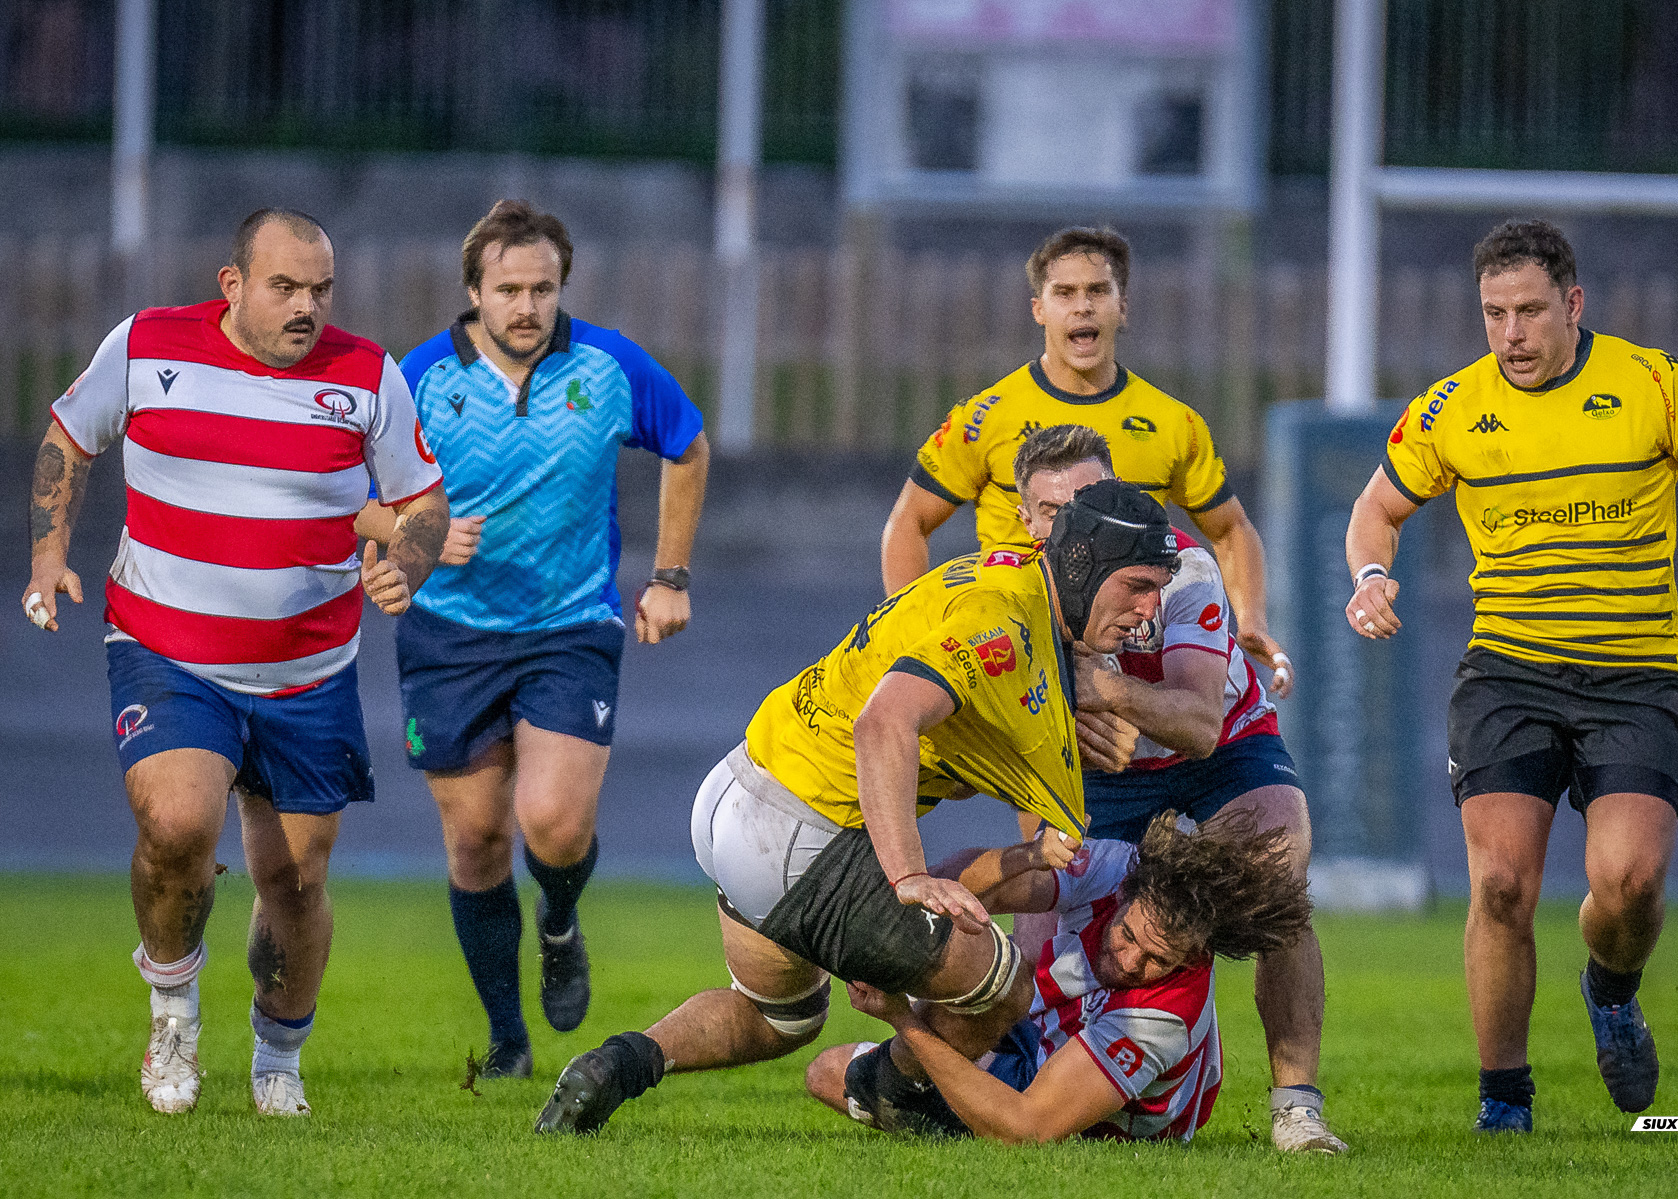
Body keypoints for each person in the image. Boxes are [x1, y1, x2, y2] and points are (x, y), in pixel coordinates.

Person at [533, 479, 1179, 1135]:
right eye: (1138, 585)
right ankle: (889, 1096)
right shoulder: (1004, 627)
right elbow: (885, 720)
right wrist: (907, 875)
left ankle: (617, 1064)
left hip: (739, 788)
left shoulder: (1001, 576)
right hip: (801, 829)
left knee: (779, 1016)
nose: (1150, 610)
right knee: (1004, 987)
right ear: (1082, 564)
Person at [1344, 219, 1678, 1133]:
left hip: (1636, 676)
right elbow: (1375, 508)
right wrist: (1370, 574)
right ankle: (1503, 1100)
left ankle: (1611, 987)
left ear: (1573, 304)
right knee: (1502, 885)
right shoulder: (1452, 409)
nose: (1511, 333)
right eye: (1494, 313)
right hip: (1508, 673)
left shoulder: (1650, 383)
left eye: (1530, 311)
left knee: (1628, 883)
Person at [20, 209, 448, 1116]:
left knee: (293, 880)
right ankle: (172, 1008)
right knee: (177, 825)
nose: (306, 307)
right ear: (233, 285)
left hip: (309, 673)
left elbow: (422, 504)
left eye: (321, 290)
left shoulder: (369, 376)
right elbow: (68, 436)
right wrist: (48, 557)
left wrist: (403, 566)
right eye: (285, 287)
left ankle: (278, 1056)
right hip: (168, 652)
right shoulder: (145, 346)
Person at [362, 200, 709, 1078]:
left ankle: (559, 918)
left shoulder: (608, 365)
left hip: (569, 628)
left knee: (550, 823)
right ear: (473, 291)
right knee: (476, 838)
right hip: (450, 634)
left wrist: (669, 577)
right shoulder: (420, 378)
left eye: (542, 288)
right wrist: (419, 531)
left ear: (562, 288)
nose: (526, 306)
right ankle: (509, 1040)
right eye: (508, 289)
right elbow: (365, 497)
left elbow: (689, 442)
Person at [1007, 424, 1346, 1153]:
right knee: (1038, 893)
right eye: (1055, 510)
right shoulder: (1007, 586)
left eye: (1093, 498)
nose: (1078, 522)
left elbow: (1197, 720)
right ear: (1026, 520)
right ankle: (1035, 1074)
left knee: (1275, 874)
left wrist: (1105, 689)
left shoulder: (1180, 567)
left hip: (1220, 745)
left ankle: (1297, 1105)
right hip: (1102, 771)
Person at [879, 225, 1293, 698]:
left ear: (1122, 306)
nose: (1082, 306)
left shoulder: (1173, 423)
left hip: (1126, 660)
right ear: (1039, 309)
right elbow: (909, 521)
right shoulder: (985, 416)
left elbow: (1231, 529)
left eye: (1098, 290)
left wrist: (1252, 618)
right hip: (1017, 649)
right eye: (1064, 292)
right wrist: (908, 630)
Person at [805, 813, 1311, 1144]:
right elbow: (957, 882)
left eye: (1159, 959)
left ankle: (927, 1108)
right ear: (1126, 895)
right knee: (828, 1069)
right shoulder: (1119, 867)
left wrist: (902, 1019)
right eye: (1128, 936)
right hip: (1042, 1037)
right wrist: (1029, 854)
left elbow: (1028, 1128)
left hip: (1088, 1118)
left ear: (1194, 953)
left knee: (830, 1076)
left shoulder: (1161, 1017)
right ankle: (922, 1097)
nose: (1132, 963)